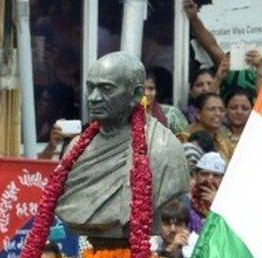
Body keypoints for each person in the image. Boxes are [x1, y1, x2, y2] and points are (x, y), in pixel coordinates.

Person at [57, 52, 189, 245]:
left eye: (106, 89)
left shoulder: (163, 147)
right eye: (90, 88)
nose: (94, 98)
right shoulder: (76, 148)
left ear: (135, 95)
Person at [185, 93, 235, 160]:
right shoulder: (183, 139)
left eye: (221, 110)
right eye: (212, 109)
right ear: (198, 114)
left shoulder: (225, 145)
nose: (218, 113)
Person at [188, 152, 225, 233]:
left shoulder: (227, 205)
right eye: (204, 174)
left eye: (216, 175)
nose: (209, 179)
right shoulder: (187, 200)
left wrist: (216, 205)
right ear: (196, 175)